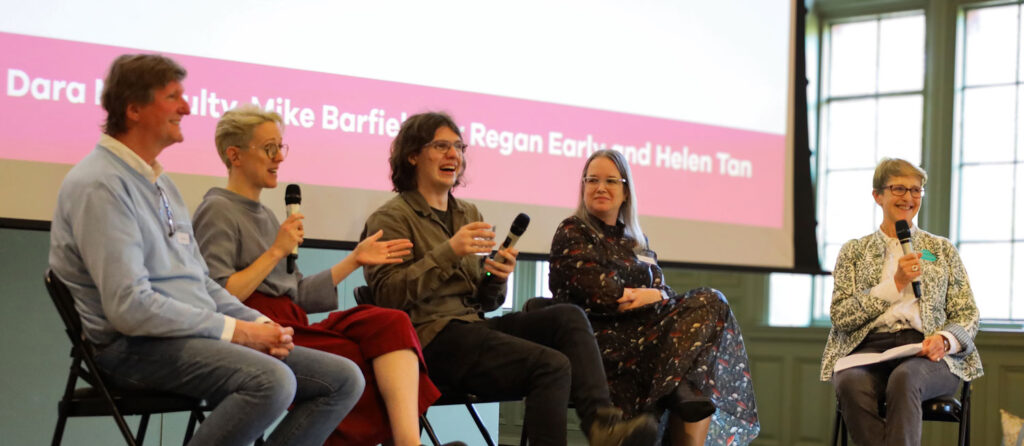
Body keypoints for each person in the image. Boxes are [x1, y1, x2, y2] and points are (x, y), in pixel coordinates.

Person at [48, 54, 363, 445]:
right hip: (131, 349)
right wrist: (236, 332)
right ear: (134, 109)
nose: (188, 107)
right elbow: (130, 309)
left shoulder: (162, 185)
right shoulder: (100, 185)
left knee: (344, 379)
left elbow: (200, 282)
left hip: (185, 338)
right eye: (172, 97)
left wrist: (259, 324)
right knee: (271, 381)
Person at [361, 112, 658, 446]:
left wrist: (496, 277)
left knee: (568, 317)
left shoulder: (468, 214)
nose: (453, 155)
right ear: (413, 155)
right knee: (551, 365)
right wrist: (449, 252)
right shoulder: (391, 218)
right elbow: (387, 296)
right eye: (441, 146)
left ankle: (603, 426)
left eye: (458, 147)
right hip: (429, 340)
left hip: (472, 328)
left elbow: (486, 302)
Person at [192, 104, 447, 446]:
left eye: (281, 148)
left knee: (390, 323)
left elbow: (297, 294)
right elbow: (220, 295)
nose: (279, 158)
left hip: (293, 322)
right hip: (256, 327)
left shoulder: (267, 215)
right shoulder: (217, 209)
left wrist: (354, 261)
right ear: (234, 155)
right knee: (353, 362)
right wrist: (276, 251)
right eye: (269, 149)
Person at [547, 150, 760, 446]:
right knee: (687, 363)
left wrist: (652, 294)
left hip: (645, 335)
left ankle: (679, 388)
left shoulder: (635, 241)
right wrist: (649, 295)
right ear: (582, 186)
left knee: (712, 301)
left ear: (625, 192)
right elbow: (600, 292)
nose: (600, 187)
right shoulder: (573, 231)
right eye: (592, 180)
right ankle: (678, 389)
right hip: (596, 340)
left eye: (610, 180)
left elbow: (665, 292)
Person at [820, 158, 983, 446]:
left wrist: (945, 340)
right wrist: (894, 285)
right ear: (877, 196)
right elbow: (841, 316)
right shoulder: (854, 252)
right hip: (869, 351)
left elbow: (967, 312)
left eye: (916, 190)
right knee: (848, 382)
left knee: (904, 379)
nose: (908, 197)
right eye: (898, 189)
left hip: (928, 352)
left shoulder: (941, 250)